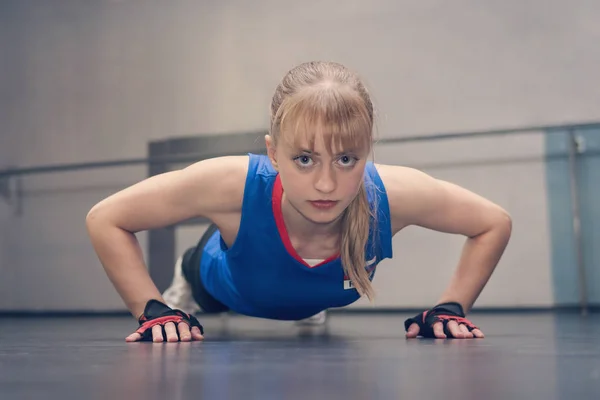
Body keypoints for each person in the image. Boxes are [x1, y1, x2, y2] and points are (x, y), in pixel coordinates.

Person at [86, 61, 512, 343]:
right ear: (273, 153)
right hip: (222, 283)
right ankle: (186, 273)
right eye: (304, 159)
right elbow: (106, 218)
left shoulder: (392, 195)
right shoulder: (230, 182)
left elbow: (493, 222)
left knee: (298, 290)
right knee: (206, 279)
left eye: (346, 159)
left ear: (367, 151)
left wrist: (451, 306)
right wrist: (151, 309)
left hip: (305, 295)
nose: (326, 184)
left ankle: (308, 306)